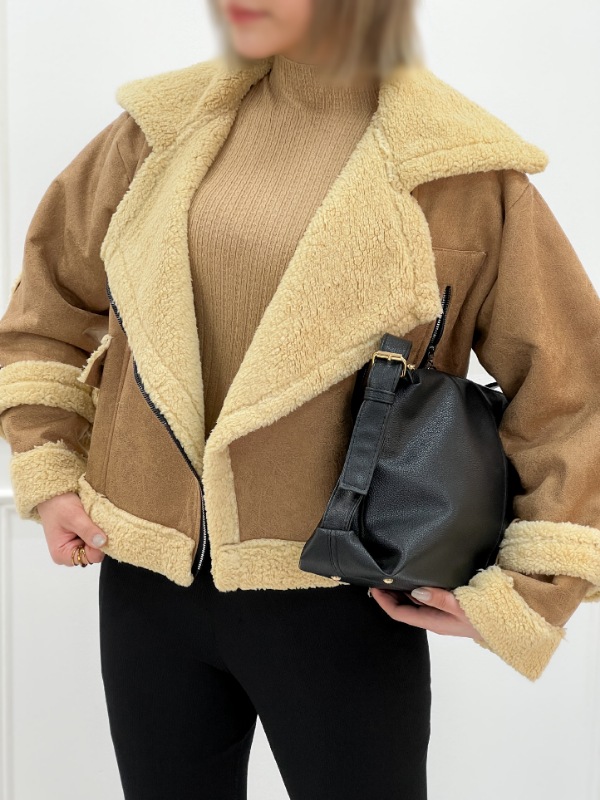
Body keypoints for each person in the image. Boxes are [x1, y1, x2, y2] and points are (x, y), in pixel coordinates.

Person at [0, 0, 599, 797]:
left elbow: (572, 388)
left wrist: (531, 590)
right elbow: (48, 308)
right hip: (145, 581)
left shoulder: (459, 168)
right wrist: (47, 469)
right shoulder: (157, 131)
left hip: (343, 597)